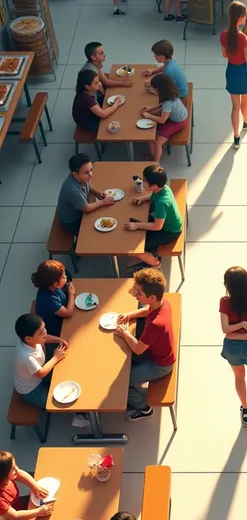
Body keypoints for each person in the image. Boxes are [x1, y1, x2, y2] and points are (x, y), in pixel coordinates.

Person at [114, 268, 176, 422]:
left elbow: (138, 349)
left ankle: (143, 408)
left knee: (122, 384)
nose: (135, 295)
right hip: (160, 353)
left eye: (139, 293)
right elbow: (147, 310)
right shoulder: (163, 303)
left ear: (152, 296)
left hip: (160, 365)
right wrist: (130, 314)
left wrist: (124, 333)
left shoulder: (155, 324)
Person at [220, 266, 247, 427]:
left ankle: (245, 409)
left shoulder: (225, 302)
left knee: (239, 376)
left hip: (232, 348)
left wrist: (234, 332)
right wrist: (245, 327)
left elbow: (226, 330)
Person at [124, 165, 182, 269]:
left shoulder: (162, 203)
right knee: (137, 228)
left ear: (154, 185)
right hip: (165, 223)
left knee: (136, 248)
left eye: (144, 181)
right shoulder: (164, 188)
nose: (142, 181)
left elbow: (157, 226)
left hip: (169, 231)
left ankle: (154, 263)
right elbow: (153, 195)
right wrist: (142, 198)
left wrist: (137, 225)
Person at [220, 1, 247, 151]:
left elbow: (224, 54)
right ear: (241, 17)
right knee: (244, 102)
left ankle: (236, 137)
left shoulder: (223, 35)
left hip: (231, 71)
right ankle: (246, 122)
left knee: (235, 106)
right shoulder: (242, 38)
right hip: (242, 71)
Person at [14, 313, 68, 410]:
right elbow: (41, 373)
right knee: (58, 401)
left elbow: (45, 338)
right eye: (41, 332)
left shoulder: (29, 340)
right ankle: (79, 418)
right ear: (28, 339)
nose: (45, 333)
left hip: (39, 370)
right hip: (32, 390)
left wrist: (59, 340)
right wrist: (56, 357)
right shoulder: (27, 357)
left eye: (44, 328)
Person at [57, 154, 115, 237]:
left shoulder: (79, 178)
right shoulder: (73, 190)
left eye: (91, 170)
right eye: (86, 172)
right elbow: (86, 208)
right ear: (75, 174)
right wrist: (103, 202)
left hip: (78, 209)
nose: (90, 174)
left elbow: (87, 184)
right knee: (91, 234)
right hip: (72, 221)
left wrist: (97, 192)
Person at [0, 451, 55, 520]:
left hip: (20, 505)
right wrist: (39, 512)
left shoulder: (8, 477)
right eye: (13, 469)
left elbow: (19, 473)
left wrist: (35, 486)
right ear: (3, 475)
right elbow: (15, 516)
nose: (17, 469)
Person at [140, 74, 187, 163]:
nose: (152, 88)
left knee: (158, 143)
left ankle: (155, 162)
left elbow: (162, 120)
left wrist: (149, 115)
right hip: (180, 115)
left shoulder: (168, 103)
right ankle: (152, 153)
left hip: (178, 122)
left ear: (159, 89)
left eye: (153, 87)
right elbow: (163, 106)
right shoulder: (172, 93)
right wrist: (151, 109)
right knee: (154, 128)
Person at [32, 260, 75, 337]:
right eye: (63, 277)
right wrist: (71, 294)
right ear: (55, 283)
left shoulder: (49, 286)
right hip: (56, 328)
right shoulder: (49, 299)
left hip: (61, 314)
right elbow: (68, 313)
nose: (66, 277)